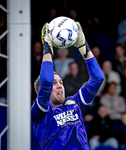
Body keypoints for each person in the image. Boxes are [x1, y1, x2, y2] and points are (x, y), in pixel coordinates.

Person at [31, 22, 104, 150]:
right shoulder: (40, 112)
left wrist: (83, 46)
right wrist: (47, 47)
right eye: (55, 83)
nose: (60, 85)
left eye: (61, 82)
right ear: (43, 92)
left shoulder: (74, 102)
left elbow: (98, 78)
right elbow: (46, 82)